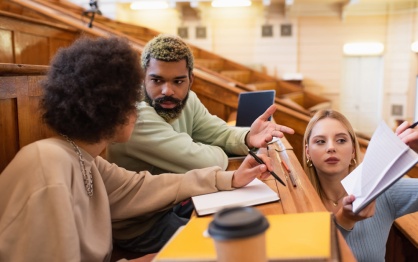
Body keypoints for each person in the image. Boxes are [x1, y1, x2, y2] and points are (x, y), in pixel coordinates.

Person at [0, 36, 276, 262]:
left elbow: (143, 187)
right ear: (109, 108)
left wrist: (230, 179)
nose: (138, 109)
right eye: (131, 101)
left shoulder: (83, 158)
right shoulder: (47, 165)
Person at [107, 33, 294, 176]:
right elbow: (203, 162)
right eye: (157, 80)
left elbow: (218, 132)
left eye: (178, 81)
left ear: (191, 80)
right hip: (148, 221)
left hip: (175, 203)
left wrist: (247, 138)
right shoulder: (134, 116)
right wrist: (203, 147)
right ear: (143, 78)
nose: (168, 91)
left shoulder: (188, 100)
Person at [302, 109, 418, 261]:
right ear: (307, 152)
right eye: (320, 141)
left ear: (352, 151)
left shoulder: (384, 190)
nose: (331, 147)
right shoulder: (296, 202)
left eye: (341, 140)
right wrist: (344, 220)